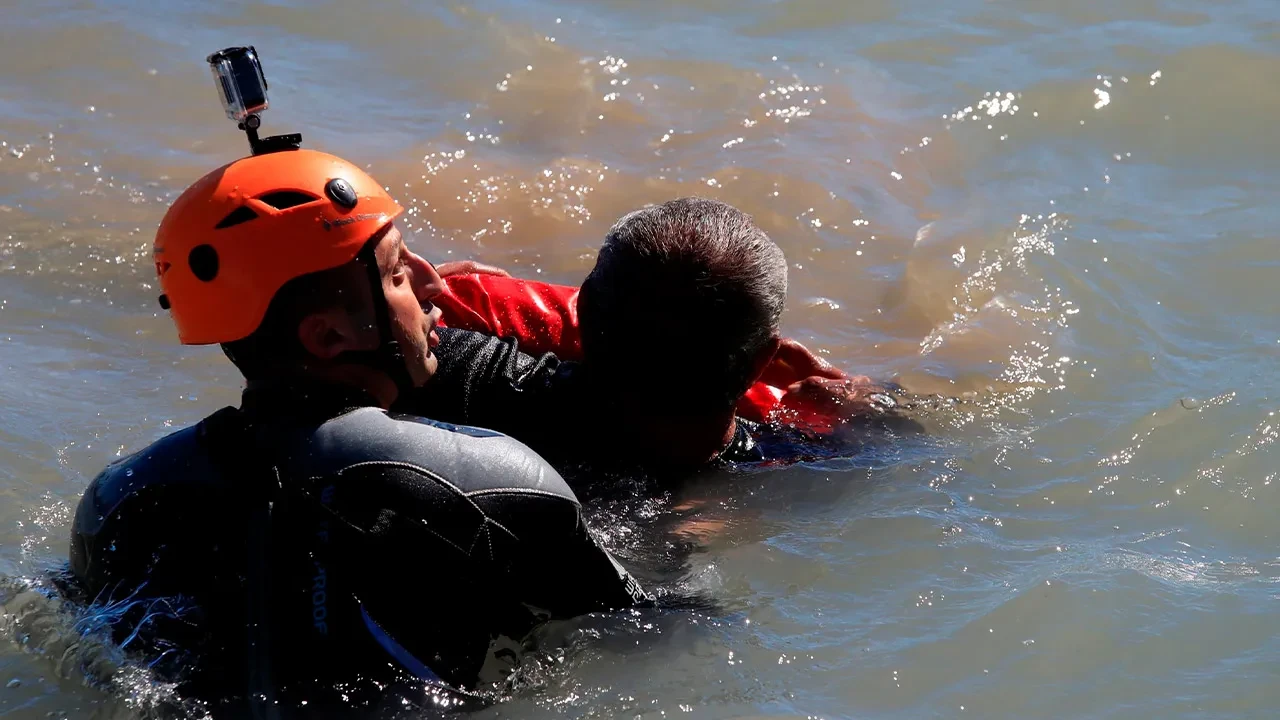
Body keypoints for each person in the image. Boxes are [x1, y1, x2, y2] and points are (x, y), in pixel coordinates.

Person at [67, 148, 651, 718]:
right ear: (327, 337)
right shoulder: (491, 481)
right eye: (399, 271)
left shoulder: (120, 498)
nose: (435, 283)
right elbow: (652, 633)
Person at [398, 197, 913, 476]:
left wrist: (422, 293)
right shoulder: (796, 453)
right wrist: (871, 405)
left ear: (585, 313)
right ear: (762, 361)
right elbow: (922, 436)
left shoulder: (465, 364)